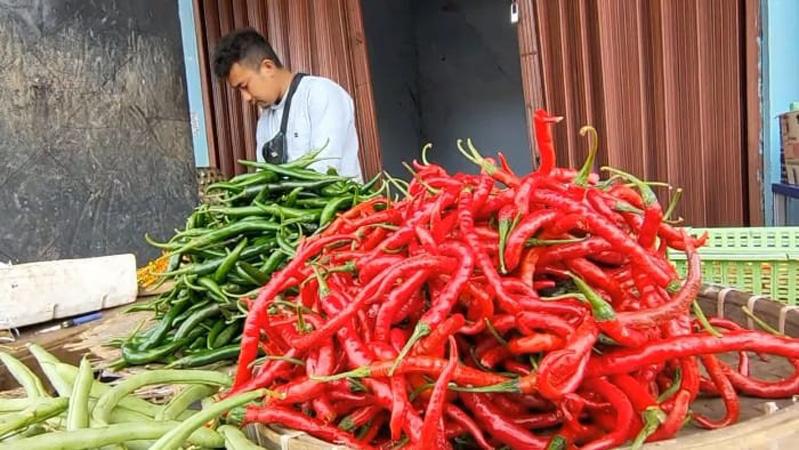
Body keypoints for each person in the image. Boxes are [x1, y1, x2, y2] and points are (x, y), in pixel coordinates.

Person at [212, 28, 363, 181]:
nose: (246, 97)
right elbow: (264, 178)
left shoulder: (320, 93)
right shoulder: (264, 122)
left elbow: (325, 169)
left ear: (268, 67)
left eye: (245, 86)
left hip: (343, 197)